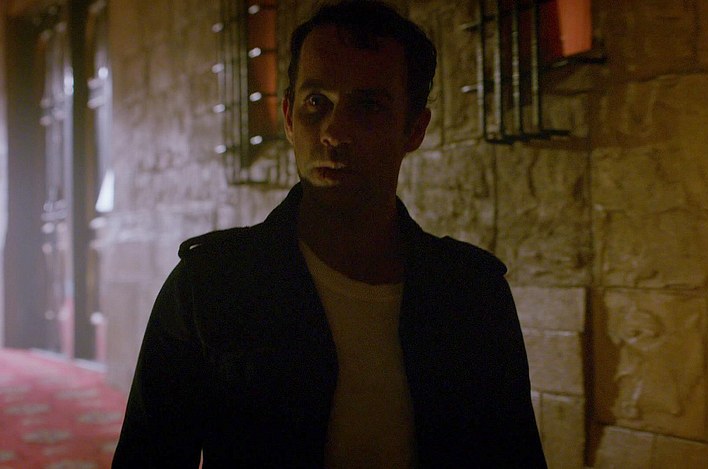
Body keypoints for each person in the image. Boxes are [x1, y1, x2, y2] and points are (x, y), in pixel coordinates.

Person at [113, 1, 546, 467]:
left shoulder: (472, 294)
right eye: (316, 102)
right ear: (288, 116)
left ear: (415, 129)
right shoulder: (211, 286)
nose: (334, 133)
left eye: (369, 105)